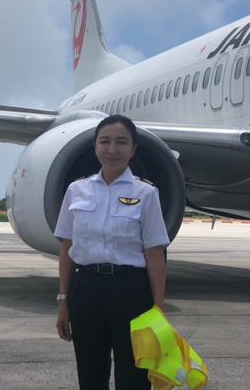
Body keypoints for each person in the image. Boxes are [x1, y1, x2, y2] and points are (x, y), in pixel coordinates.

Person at [54, 114, 169, 390]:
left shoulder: (146, 193)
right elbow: (67, 248)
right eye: (105, 142)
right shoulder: (76, 191)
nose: (112, 149)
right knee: (90, 375)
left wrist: (159, 307)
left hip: (132, 292)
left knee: (134, 378)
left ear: (133, 149)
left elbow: (154, 253)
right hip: (87, 289)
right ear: (95, 147)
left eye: (121, 142)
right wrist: (63, 301)